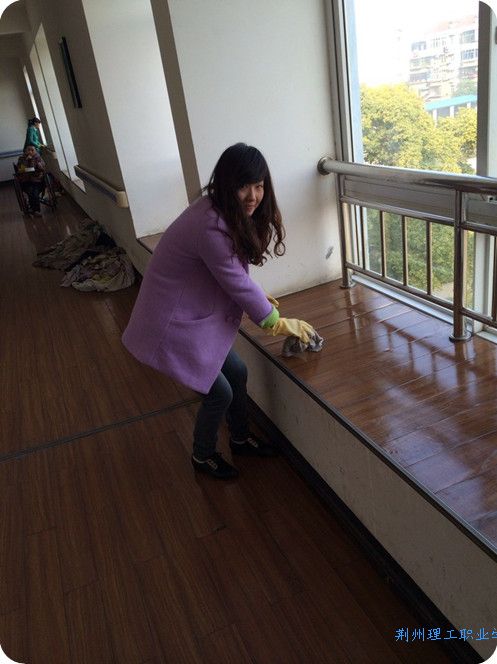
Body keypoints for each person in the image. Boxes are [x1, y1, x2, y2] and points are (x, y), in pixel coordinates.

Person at [122, 143, 313, 479]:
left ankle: (239, 438)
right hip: (171, 323)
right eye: (243, 186)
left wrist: (259, 298)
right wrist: (276, 322)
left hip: (187, 315)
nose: (253, 196)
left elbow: (230, 274)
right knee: (219, 393)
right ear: (226, 184)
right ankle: (203, 455)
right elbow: (235, 280)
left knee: (237, 372)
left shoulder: (218, 211)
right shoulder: (209, 224)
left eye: (259, 186)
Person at [17, 144, 46, 216]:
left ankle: (35, 210)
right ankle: (34, 209)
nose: (30, 152)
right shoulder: (21, 159)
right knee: (31, 192)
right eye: (28, 150)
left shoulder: (38, 157)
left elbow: (43, 168)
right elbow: (20, 170)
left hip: (37, 180)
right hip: (26, 181)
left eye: (32, 150)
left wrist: (39, 165)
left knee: (34, 192)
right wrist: (27, 161)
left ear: (35, 151)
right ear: (25, 151)